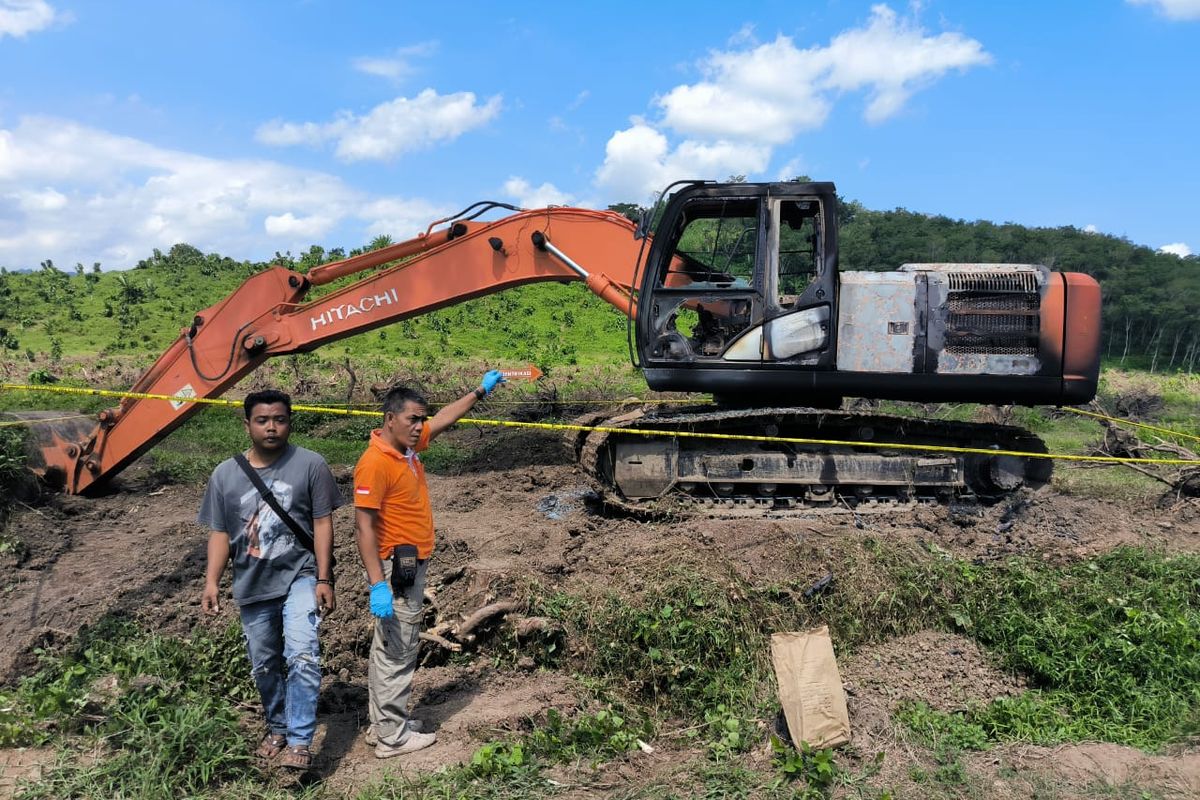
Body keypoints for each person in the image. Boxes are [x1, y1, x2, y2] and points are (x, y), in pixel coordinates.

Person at [354, 370, 506, 758]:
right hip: (394, 568)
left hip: (410, 562)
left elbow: (443, 421)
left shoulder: (406, 446)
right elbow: (363, 528)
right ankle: (393, 738)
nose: (420, 426)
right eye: (412, 419)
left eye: (420, 419)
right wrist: (377, 584)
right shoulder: (375, 463)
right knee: (399, 648)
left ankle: (384, 724)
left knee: (387, 645)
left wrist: (477, 391)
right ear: (390, 419)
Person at [198, 389, 342, 771]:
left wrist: (324, 578)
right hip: (252, 582)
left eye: (279, 419)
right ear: (247, 425)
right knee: (264, 664)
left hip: (301, 574)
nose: (272, 427)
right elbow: (219, 533)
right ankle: (278, 726)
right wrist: (212, 581)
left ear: (290, 422)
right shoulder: (224, 475)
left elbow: (323, 522)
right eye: (262, 420)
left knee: (302, 653)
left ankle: (299, 740)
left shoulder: (311, 465)